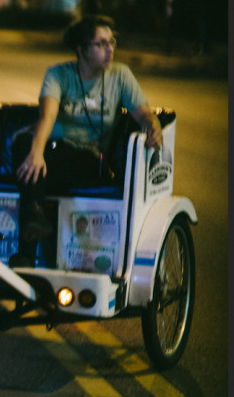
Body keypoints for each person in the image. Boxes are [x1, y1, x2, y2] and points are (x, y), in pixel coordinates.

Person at [10, 15, 163, 267]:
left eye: (111, 41)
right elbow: (47, 115)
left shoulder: (120, 76)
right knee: (25, 146)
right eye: (100, 43)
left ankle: (27, 249)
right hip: (50, 152)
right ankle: (33, 227)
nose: (110, 49)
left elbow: (144, 113)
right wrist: (36, 151)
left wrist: (152, 125)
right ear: (81, 49)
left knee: (39, 164)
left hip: (88, 158)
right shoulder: (58, 74)